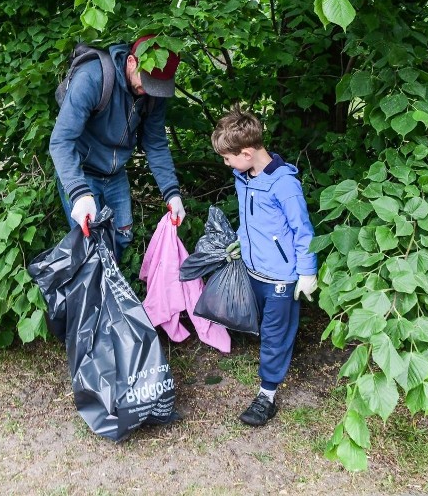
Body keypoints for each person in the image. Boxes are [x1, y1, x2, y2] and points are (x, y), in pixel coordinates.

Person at [212, 103, 318, 426]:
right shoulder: (243, 178)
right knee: (263, 328)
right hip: (253, 272)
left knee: (275, 335)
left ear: (247, 153)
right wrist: (240, 244)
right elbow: (251, 222)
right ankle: (274, 366)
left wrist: (307, 271)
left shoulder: (284, 185)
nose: (226, 164)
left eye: (228, 158)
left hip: (281, 279)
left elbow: (303, 230)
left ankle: (267, 396)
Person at [49, 35, 186, 259]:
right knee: (90, 247)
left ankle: (112, 286)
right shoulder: (93, 78)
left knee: (121, 238)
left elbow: (156, 144)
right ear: (131, 61)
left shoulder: (153, 93)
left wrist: (172, 193)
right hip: (81, 173)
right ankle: (92, 292)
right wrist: (79, 193)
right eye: (147, 82)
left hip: (115, 174)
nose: (149, 90)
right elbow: (61, 141)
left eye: (157, 87)